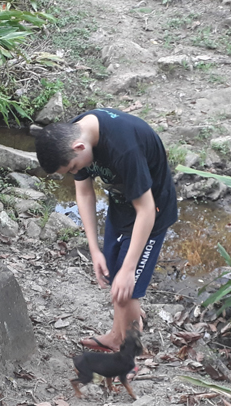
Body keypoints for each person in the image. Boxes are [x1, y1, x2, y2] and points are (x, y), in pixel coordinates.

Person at [35, 108, 178, 352]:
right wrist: (94, 250)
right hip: (121, 205)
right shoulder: (73, 133)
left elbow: (146, 210)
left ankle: (131, 349)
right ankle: (116, 335)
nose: (74, 172)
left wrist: (130, 268)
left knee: (126, 290)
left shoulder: (124, 149)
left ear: (79, 147)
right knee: (115, 278)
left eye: (72, 168)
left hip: (152, 212)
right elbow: (85, 193)